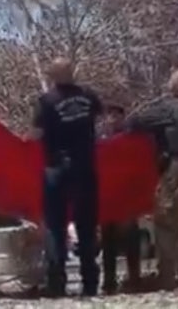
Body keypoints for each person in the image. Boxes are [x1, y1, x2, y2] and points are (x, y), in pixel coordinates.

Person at [126, 69, 178, 291]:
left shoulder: (166, 108)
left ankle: (166, 277)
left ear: (172, 87)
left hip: (176, 167)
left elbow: (134, 122)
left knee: (167, 222)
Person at [32, 57, 102, 297]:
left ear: (52, 75)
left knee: (55, 226)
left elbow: (36, 133)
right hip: (85, 167)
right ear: (72, 73)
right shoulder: (89, 96)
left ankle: (56, 283)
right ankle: (90, 282)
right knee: (86, 225)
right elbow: (98, 117)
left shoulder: (47, 101)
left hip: (57, 169)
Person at [99, 104, 142, 294]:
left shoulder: (131, 140)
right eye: (110, 115)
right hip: (108, 194)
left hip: (127, 193)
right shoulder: (101, 142)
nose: (113, 119)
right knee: (108, 240)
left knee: (131, 238)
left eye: (117, 115)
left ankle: (135, 278)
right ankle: (109, 281)